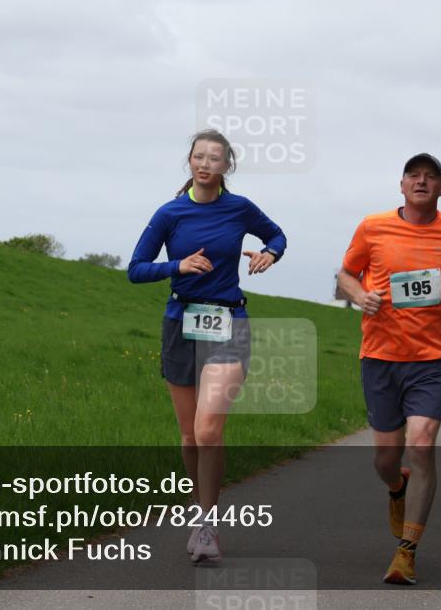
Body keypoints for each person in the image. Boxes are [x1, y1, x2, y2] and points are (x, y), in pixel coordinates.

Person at [127, 129, 287, 563]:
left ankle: (207, 525)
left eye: (215, 158)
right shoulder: (170, 213)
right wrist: (177, 264)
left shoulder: (239, 208)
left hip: (228, 321)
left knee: (208, 429)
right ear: (190, 162)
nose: (205, 164)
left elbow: (277, 236)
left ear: (225, 167)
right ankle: (200, 516)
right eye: (199, 156)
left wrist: (269, 253)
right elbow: (135, 269)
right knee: (187, 434)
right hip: (181, 322)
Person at [337, 152, 441, 585]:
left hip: (431, 358)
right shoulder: (372, 227)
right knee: (386, 459)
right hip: (380, 356)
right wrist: (359, 296)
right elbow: (346, 274)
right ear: (401, 185)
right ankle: (396, 488)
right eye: (414, 176)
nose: (421, 182)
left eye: (430, 177)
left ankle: (407, 552)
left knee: (422, 445)